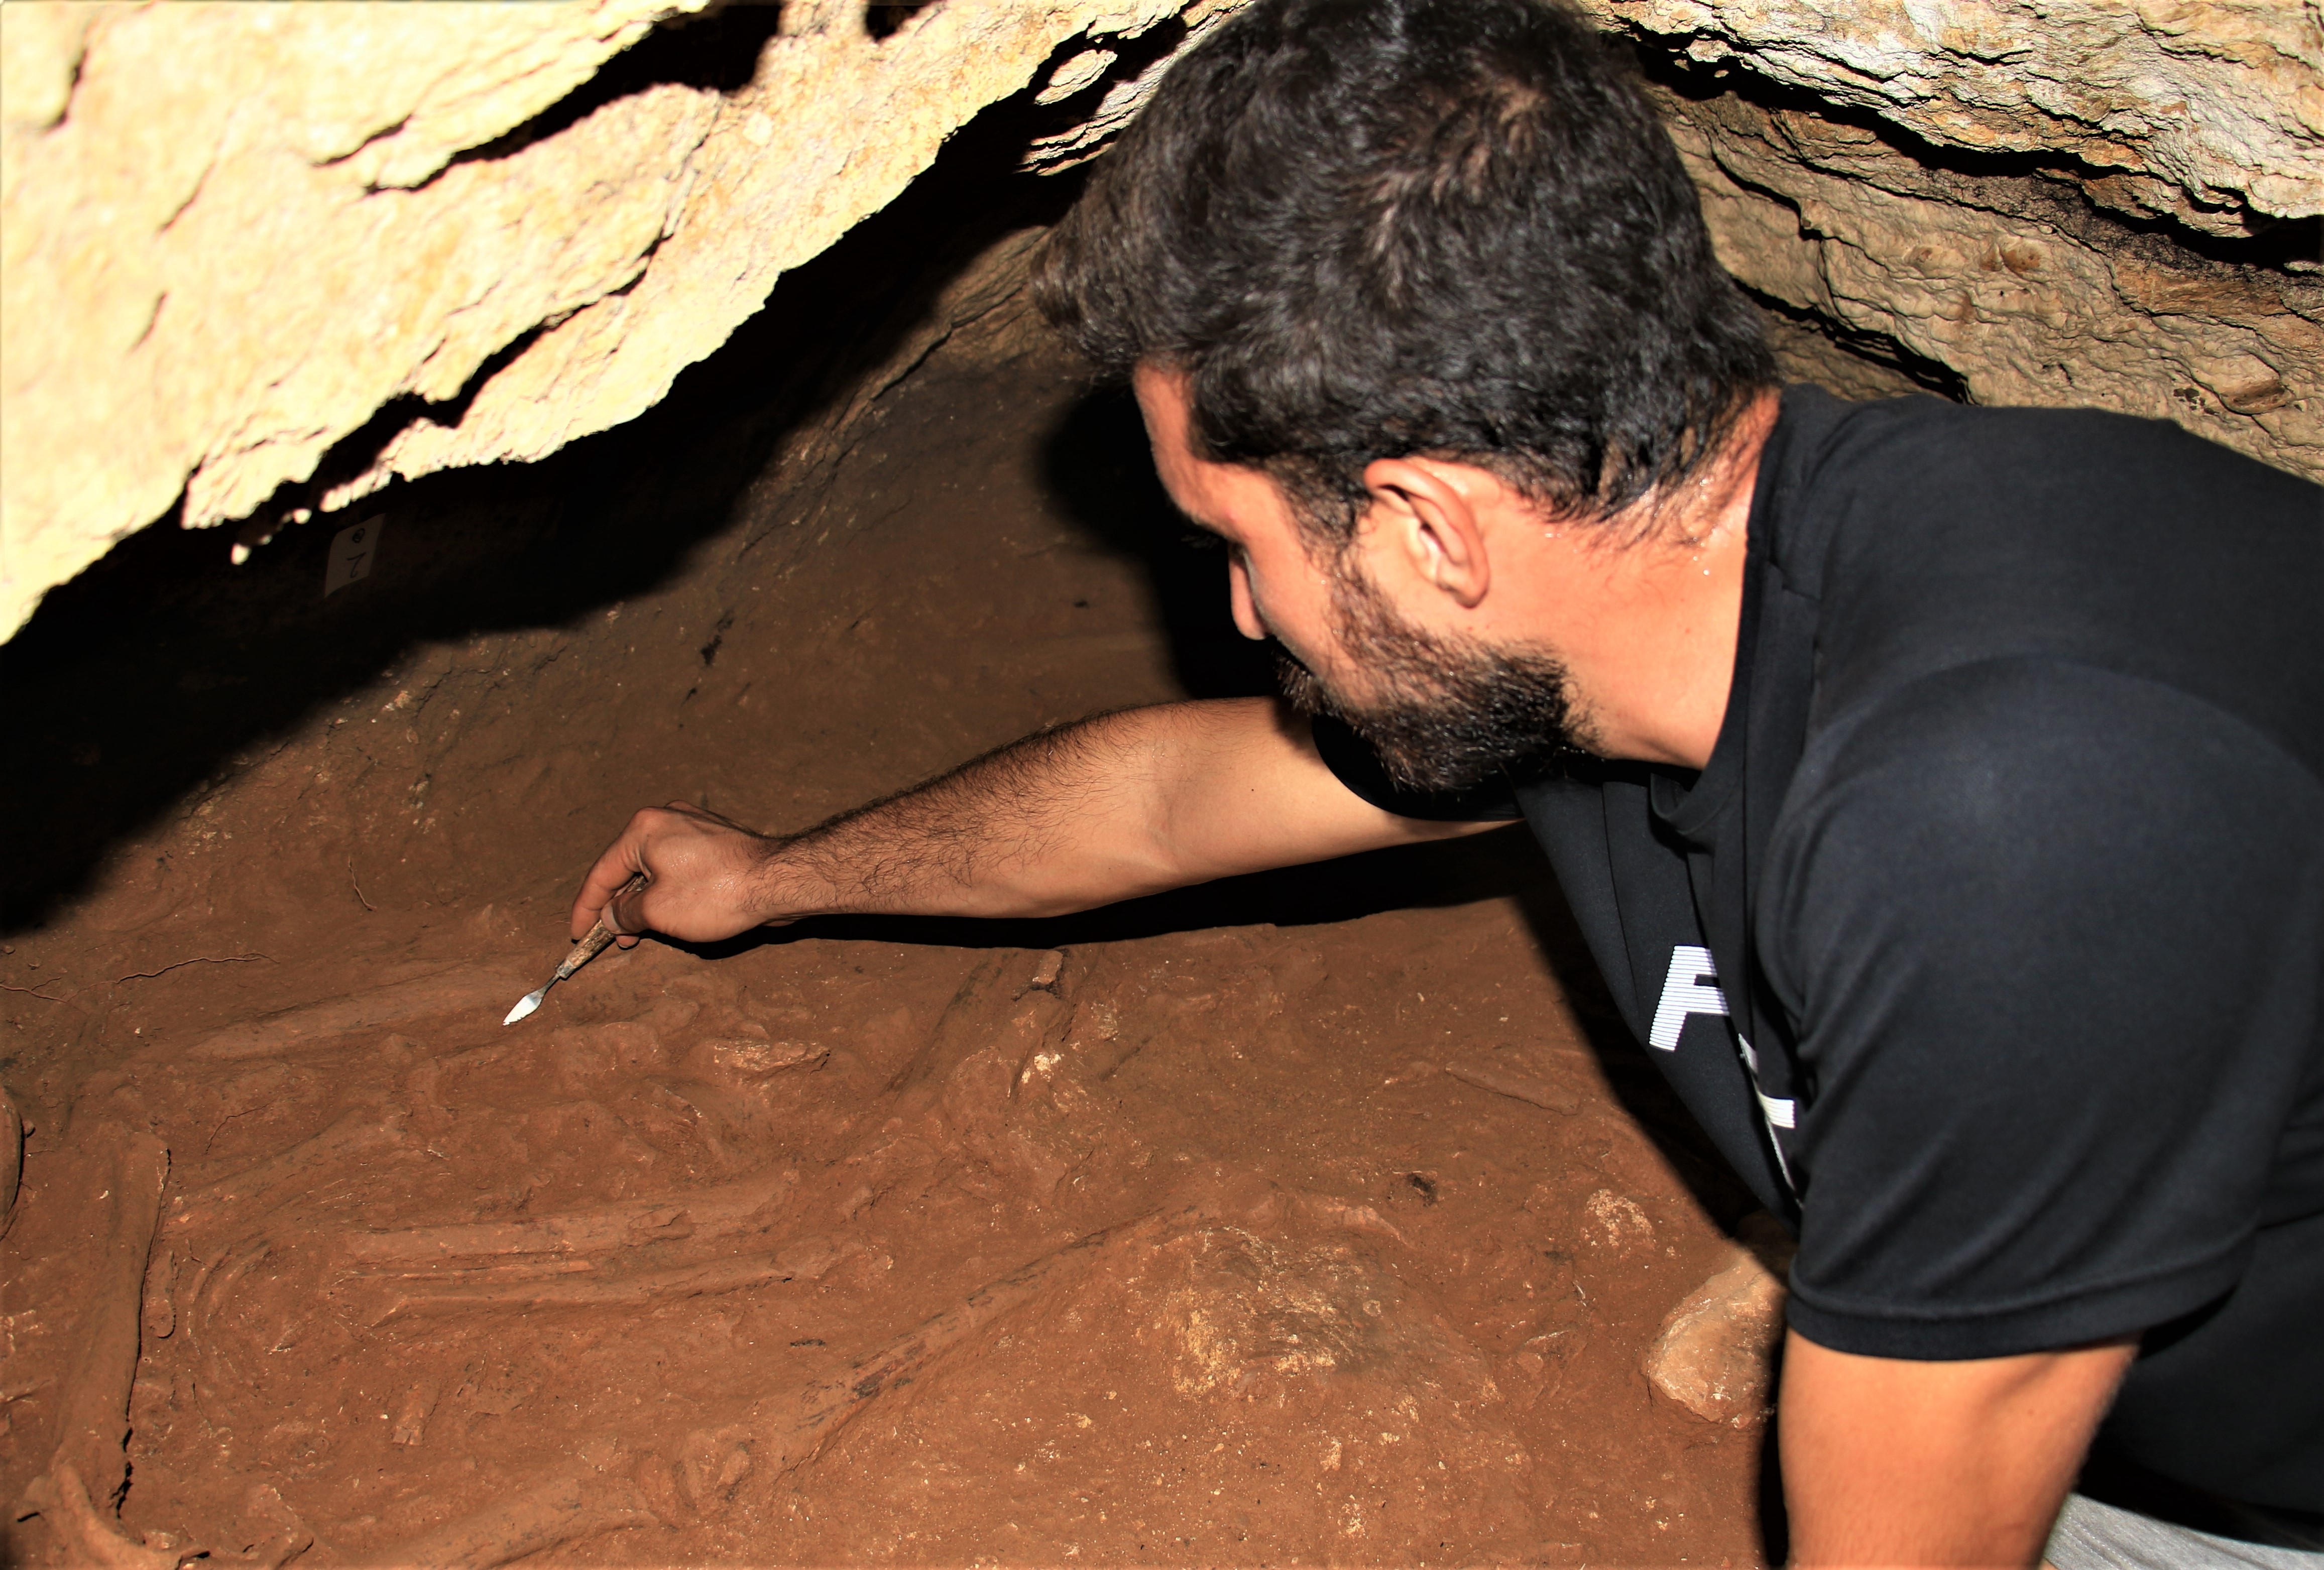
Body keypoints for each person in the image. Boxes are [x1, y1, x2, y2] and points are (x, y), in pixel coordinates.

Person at [570, 0, 2323, 1561]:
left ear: (1430, 524)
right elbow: (1169, 805)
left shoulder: (2009, 805)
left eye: (1233, 546)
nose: (1239, 613)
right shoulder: (1644, 609)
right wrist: (775, 874)